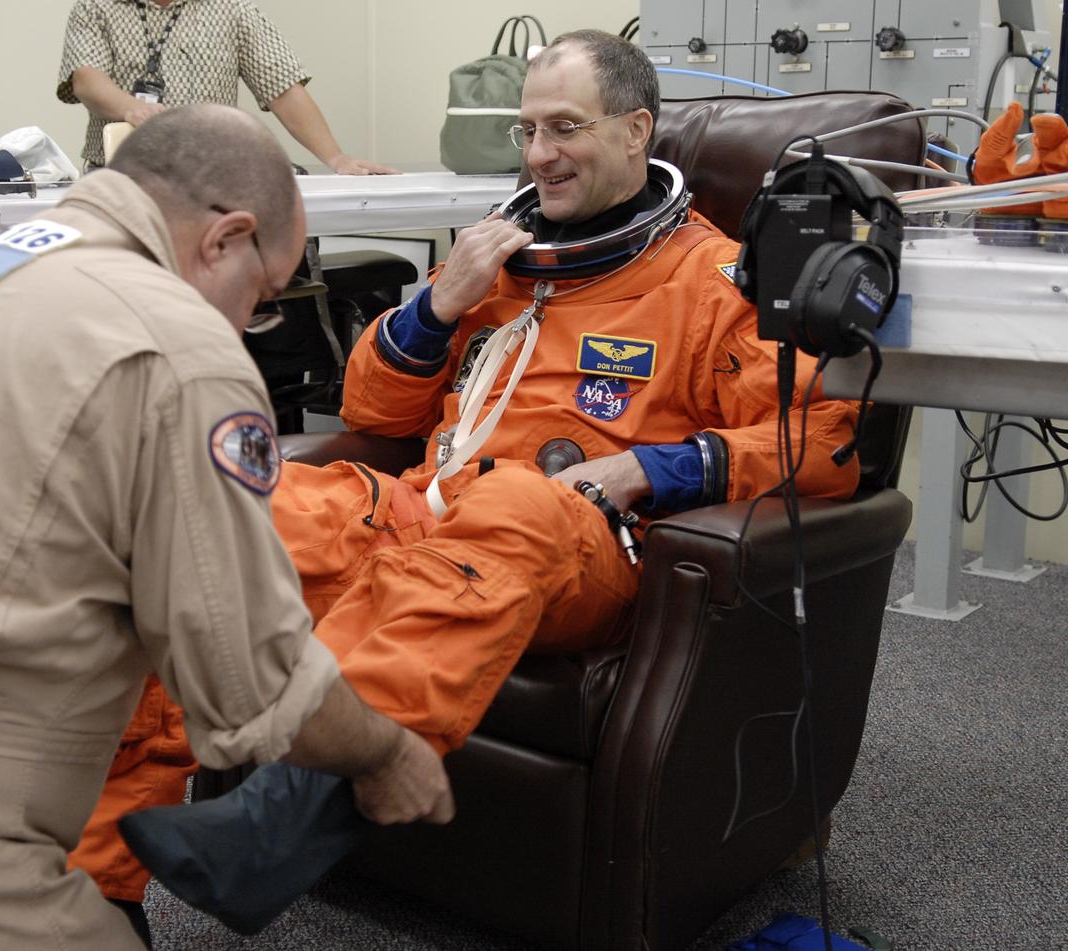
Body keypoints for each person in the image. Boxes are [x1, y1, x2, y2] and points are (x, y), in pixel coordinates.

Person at [84, 28, 863, 918]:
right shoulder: (498, 259)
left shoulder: (716, 279)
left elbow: (822, 440)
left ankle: (289, 810)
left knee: (518, 502)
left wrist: (649, 470)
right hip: (425, 509)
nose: (539, 154)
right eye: (528, 131)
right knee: (223, 525)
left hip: (582, 541)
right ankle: (102, 892)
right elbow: (374, 413)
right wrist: (440, 301)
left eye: (564, 128)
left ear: (638, 128)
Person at [0, 103, 451, 951]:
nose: (250, 324)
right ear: (225, 239)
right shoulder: (175, 345)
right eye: (263, 298)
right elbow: (253, 681)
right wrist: (386, 755)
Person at [57, 0, 393, 174]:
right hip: (121, 173)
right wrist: (133, 109)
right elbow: (86, 78)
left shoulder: (232, 8)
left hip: (213, 175)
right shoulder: (94, 7)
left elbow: (283, 87)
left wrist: (336, 158)